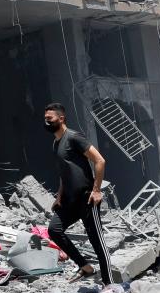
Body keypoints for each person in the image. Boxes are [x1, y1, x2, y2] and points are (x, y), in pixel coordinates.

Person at [44, 103, 112, 283]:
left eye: (49, 119)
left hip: (86, 198)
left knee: (97, 243)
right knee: (54, 230)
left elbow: (100, 160)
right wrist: (59, 195)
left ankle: (109, 284)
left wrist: (96, 190)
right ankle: (85, 267)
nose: (46, 122)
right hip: (68, 200)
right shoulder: (55, 143)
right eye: (45, 119)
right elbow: (63, 172)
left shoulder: (74, 137)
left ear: (61, 118)